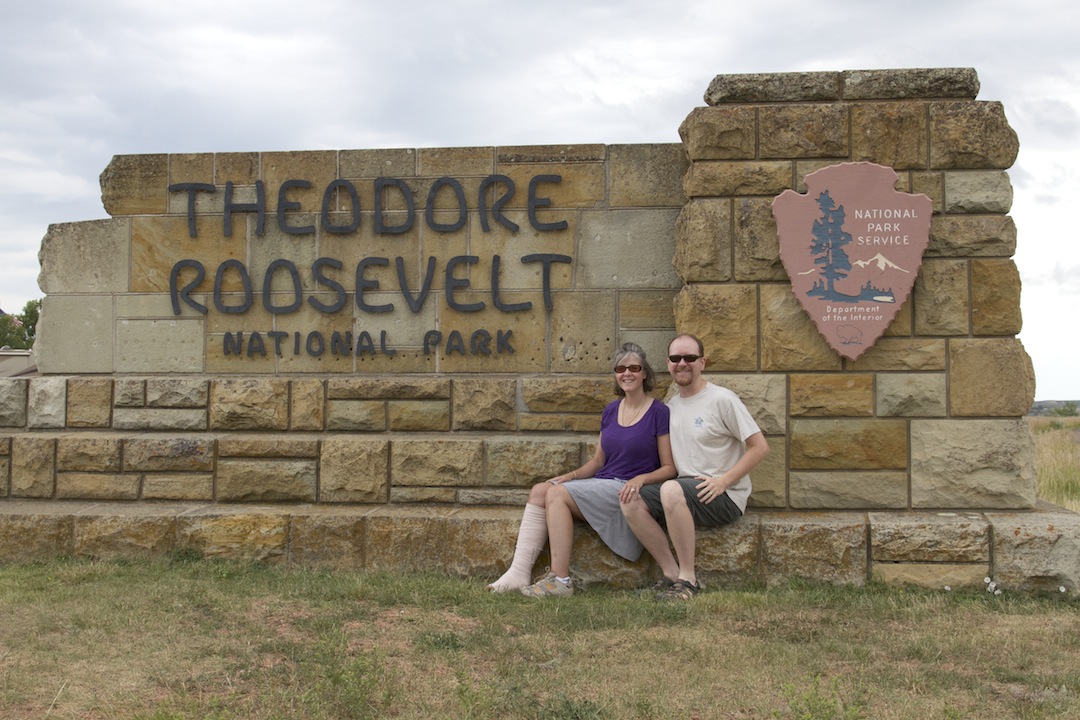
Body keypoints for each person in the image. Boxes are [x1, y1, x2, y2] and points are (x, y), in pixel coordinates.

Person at [487, 342, 676, 596]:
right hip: (603, 485)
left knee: (557, 495)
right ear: (615, 375)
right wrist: (570, 476)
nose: (626, 373)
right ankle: (519, 573)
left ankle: (560, 581)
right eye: (620, 368)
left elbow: (669, 468)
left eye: (634, 367)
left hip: (627, 492)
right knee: (541, 490)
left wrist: (641, 479)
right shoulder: (610, 411)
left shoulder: (659, 412)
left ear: (645, 373)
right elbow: (598, 462)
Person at [622, 333, 769, 601]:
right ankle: (671, 574)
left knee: (670, 490)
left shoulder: (722, 399)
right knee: (629, 500)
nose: (682, 363)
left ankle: (688, 580)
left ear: (703, 362)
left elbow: (759, 447)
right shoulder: (670, 407)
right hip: (683, 492)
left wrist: (723, 481)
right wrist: (640, 478)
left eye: (689, 358)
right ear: (668, 363)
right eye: (676, 358)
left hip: (723, 496)